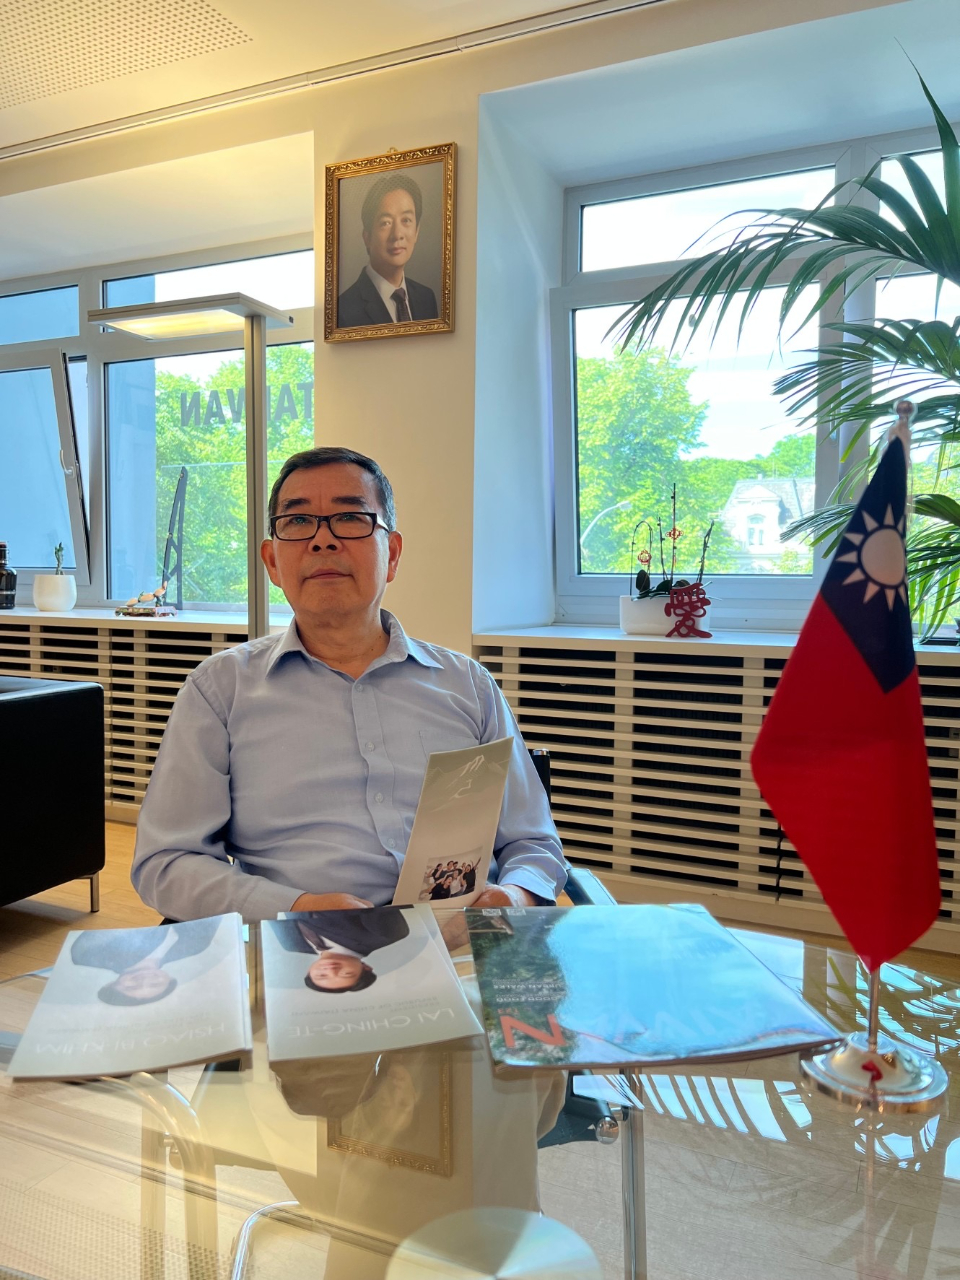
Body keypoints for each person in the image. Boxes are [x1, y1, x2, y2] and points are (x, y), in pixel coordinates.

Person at [132, 446, 565, 923]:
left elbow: (532, 842)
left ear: (392, 554)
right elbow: (167, 862)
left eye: (350, 518)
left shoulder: (468, 686)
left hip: (461, 939)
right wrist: (295, 909)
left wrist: (514, 898)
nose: (323, 541)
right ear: (272, 562)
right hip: (300, 947)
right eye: (298, 521)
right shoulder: (219, 692)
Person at [337, 173, 438, 328]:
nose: (397, 234)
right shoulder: (343, 310)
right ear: (367, 237)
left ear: (417, 231)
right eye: (385, 223)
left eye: (406, 220)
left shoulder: (426, 298)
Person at [71, 919, 221, 1006]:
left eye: (131, 987)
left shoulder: (87, 955)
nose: (144, 980)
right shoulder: (196, 946)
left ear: (111, 984)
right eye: (155, 984)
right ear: (170, 979)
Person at [273, 907, 410, 994]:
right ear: (366, 967)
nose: (331, 970)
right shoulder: (388, 935)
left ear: (309, 971)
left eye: (321, 975)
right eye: (346, 973)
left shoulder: (291, 944)